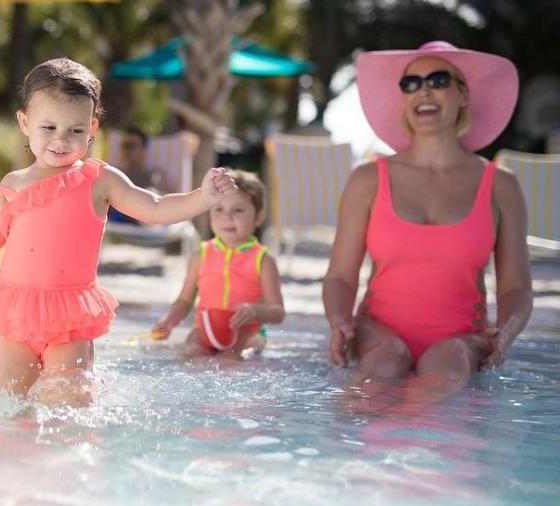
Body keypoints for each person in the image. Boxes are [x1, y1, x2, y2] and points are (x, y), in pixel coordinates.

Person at [0, 57, 237, 406]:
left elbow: (155, 208)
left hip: (70, 314)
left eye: (75, 131)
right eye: (48, 128)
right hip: (14, 312)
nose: (61, 141)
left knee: (69, 410)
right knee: (13, 409)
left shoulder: (99, 181)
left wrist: (203, 197)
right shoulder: (13, 185)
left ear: (92, 128)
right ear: (25, 123)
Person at [323, 41, 533, 406]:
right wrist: (340, 321)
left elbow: (516, 287)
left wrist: (505, 334)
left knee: (444, 372)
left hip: (461, 340)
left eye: (438, 80)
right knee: (385, 366)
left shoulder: (501, 185)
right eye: (411, 83)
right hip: (377, 335)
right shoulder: (368, 179)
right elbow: (340, 276)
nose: (424, 90)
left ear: (463, 96)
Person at [151, 169, 285, 357]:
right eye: (219, 209)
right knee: (192, 353)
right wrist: (169, 321)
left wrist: (255, 311)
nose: (227, 216)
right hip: (205, 330)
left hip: (247, 332)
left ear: (259, 217)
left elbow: (277, 312)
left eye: (238, 210)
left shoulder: (263, 260)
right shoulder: (201, 255)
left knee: (232, 358)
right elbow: (185, 300)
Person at [108, 127, 162, 224]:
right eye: (125, 146)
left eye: (132, 146)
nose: (128, 150)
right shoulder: (112, 172)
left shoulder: (153, 175)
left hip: (141, 222)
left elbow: (160, 201)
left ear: (143, 150)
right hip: (115, 221)